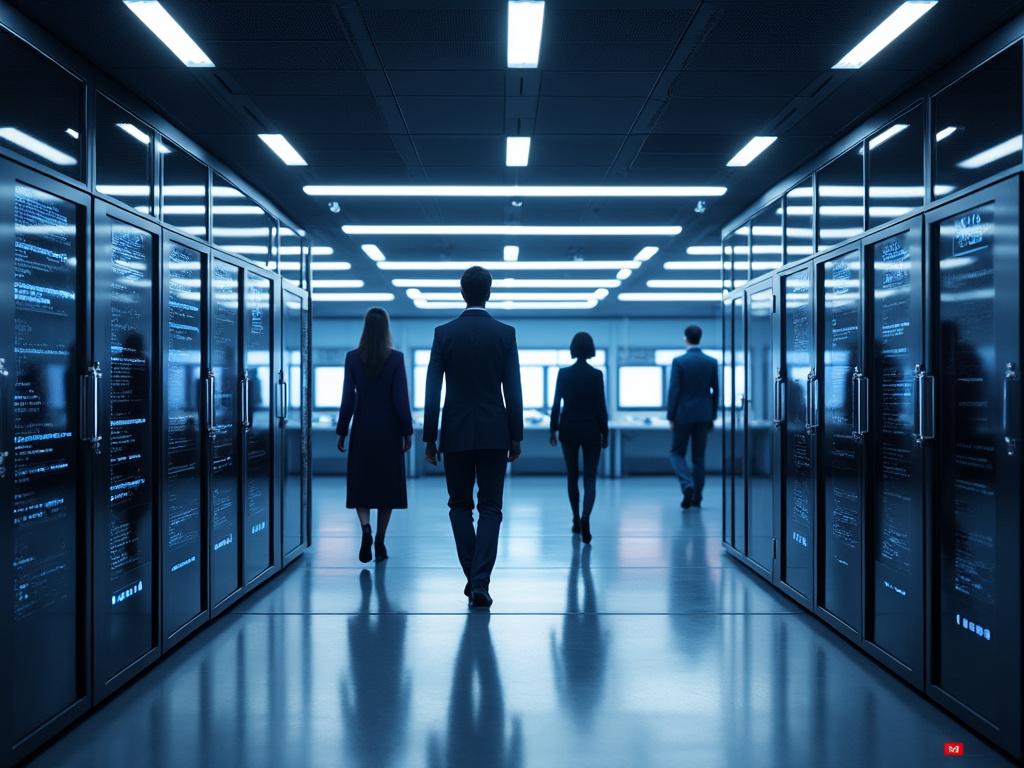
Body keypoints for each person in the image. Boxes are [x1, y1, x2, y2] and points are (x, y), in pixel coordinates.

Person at [423, 266, 524, 608]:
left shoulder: (444, 333)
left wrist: (429, 437)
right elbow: (513, 388)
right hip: (496, 431)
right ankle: (480, 580)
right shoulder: (505, 333)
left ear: (462, 292)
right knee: (491, 507)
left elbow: (432, 389)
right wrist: (516, 435)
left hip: (455, 432)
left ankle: (474, 578)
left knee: (459, 506)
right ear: (489, 292)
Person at [336, 307, 414, 563]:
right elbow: (400, 399)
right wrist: (407, 431)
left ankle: (366, 529)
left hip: (362, 430)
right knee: (387, 487)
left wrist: (342, 430)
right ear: (387, 328)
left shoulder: (352, 358)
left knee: (362, 483)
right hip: (389, 431)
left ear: (365, 327)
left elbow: (348, 398)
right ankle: (380, 540)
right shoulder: (396, 359)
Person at [549, 332, 608, 543]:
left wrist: (552, 430)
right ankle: (585, 517)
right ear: (590, 349)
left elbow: (556, 404)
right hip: (592, 430)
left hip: (569, 430)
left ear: (573, 348)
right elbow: (601, 407)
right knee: (590, 478)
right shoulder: (597, 375)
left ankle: (575, 518)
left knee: (572, 476)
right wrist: (605, 433)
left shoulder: (563, 374)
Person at [667, 324, 719, 509]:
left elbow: (674, 390)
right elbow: (715, 391)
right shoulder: (711, 362)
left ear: (685, 338)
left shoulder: (679, 361)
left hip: (683, 415)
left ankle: (687, 485)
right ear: (700, 338)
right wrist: (712, 415)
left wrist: (670, 416)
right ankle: (698, 496)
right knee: (699, 458)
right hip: (704, 415)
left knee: (676, 452)